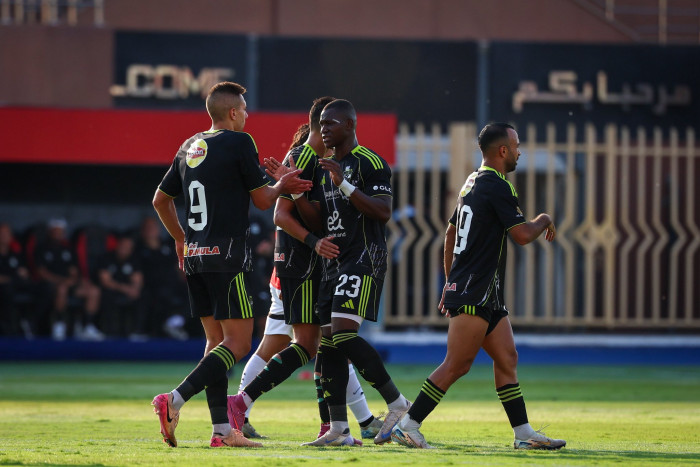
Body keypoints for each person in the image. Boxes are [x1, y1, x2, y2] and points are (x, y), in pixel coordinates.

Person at [150, 81, 312, 449]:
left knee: (215, 343)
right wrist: (283, 185)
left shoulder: (189, 146)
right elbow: (262, 201)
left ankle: (222, 432)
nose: (248, 115)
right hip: (227, 257)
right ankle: (174, 399)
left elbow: (160, 199)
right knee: (238, 344)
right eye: (245, 109)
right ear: (234, 112)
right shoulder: (240, 142)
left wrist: (180, 238)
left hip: (196, 257)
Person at [390, 122, 566, 450]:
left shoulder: (471, 182)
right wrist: (544, 218)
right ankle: (407, 425)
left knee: (507, 358)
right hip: (476, 290)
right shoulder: (498, 185)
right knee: (457, 364)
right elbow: (522, 235)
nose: (519, 152)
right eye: (516, 146)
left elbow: (450, 233)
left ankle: (524, 434)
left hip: (483, 291)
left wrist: (450, 281)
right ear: (503, 150)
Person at [230, 114, 383, 443]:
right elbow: (281, 215)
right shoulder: (303, 156)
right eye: (327, 126)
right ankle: (239, 405)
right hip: (301, 266)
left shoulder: (317, 161)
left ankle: (336, 424)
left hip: (302, 266)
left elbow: (310, 215)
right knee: (320, 343)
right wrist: (314, 242)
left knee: (310, 344)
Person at [284, 98, 410, 446]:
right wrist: (295, 195)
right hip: (333, 262)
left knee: (342, 335)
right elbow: (318, 221)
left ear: (350, 125)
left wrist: (345, 184)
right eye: (321, 123)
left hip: (363, 257)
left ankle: (398, 403)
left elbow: (383, 211)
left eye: (331, 123)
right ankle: (339, 429)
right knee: (329, 345)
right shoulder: (325, 167)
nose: (323, 129)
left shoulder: (370, 162)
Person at [34, 218, 102, 341]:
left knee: (94, 291)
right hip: (51, 286)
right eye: (55, 231)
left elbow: (74, 271)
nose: (58, 234)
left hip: (69, 284)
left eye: (60, 231)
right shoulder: (41, 248)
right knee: (62, 289)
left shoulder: (68, 249)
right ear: (50, 232)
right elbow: (42, 273)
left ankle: (87, 326)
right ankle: (59, 324)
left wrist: (72, 280)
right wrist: (61, 281)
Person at [136, 217, 189, 340]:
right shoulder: (139, 249)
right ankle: (146, 330)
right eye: (147, 228)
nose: (151, 230)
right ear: (142, 231)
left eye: (153, 227)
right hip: (151, 286)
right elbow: (137, 274)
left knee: (194, 292)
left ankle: (174, 322)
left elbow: (178, 266)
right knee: (159, 296)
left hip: (174, 284)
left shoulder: (168, 246)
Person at [0, 223, 48, 338]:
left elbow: (24, 272)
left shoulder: (16, 253)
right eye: (2, 233)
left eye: (7, 233)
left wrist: (23, 274)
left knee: (45, 288)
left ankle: (31, 321)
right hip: (5, 287)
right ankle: (8, 329)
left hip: (18, 283)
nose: (4, 236)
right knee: (7, 289)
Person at [97, 233, 146, 339]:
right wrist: (125, 288)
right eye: (123, 245)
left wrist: (135, 289)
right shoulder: (107, 258)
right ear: (118, 245)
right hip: (111, 290)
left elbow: (138, 279)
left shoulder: (134, 260)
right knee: (106, 295)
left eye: (128, 246)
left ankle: (137, 330)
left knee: (143, 296)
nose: (125, 248)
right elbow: (105, 281)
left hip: (128, 291)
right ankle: (107, 331)